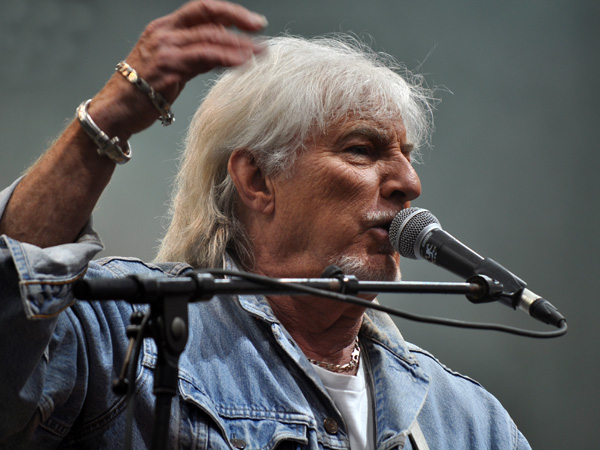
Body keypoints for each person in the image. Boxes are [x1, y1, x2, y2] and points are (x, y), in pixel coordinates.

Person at [0, 1, 531, 448]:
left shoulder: (469, 421)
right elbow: (13, 312)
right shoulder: (131, 338)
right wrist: (109, 118)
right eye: (362, 150)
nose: (408, 182)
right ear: (257, 180)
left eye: (407, 156)